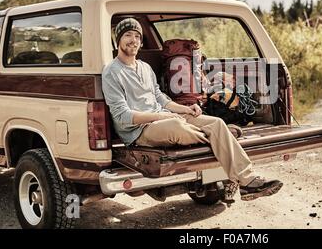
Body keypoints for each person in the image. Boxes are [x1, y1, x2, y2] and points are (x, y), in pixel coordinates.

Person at [102, 18, 283, 201]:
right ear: (118, 40)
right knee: (179, 126)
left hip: (166, 118)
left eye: (137, 36)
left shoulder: (145, 67)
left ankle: (248, 181)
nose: (133, 40)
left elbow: (160, 97)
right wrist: (159, 117)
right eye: (127, 35)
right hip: (139, 131)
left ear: (141, 42)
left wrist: (185, 109)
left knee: (216, 122)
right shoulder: (112, 72)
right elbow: (122, 116)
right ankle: (220, 136)